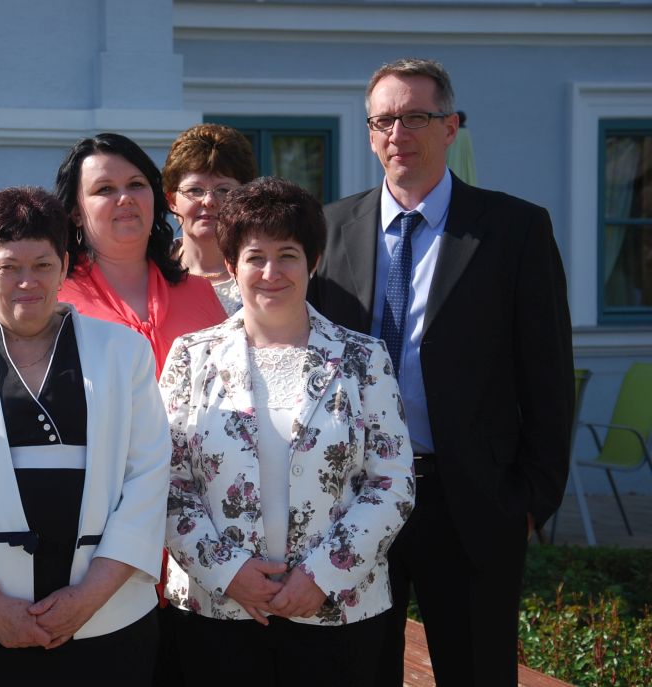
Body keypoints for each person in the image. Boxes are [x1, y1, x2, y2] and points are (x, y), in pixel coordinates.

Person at [309, 58, 573, 685]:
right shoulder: (329, 228)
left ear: (451, 127)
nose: (398, 133)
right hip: (353, 499)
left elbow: (548, 372)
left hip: (470, 500)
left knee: (477, 670)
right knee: (357, 673)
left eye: (416, 118)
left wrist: (530, 501)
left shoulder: (513, 229)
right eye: (384, 121)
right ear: (370, 133)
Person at [0, 186, 170, 686]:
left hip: (107, 619)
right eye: (8, 267)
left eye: (42, 265)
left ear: (64, 268)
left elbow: (148, 481)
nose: (27, 282)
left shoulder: (125, 353)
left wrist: (88, 598)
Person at [161, 176, 414, 686]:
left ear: (313, 261)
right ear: (231, 265)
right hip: (218, 610)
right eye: (255, 257)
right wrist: (229, 571)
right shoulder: (190, 357)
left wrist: (322, 576)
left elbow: (392, 483)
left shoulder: (365, 358)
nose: (271, 273)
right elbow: (165, 481)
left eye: (288, 255)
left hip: (338, 611)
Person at [54, 132, 227, 375]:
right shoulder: (52, 298)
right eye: (105, 189)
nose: (125, 198)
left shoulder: (199, 293)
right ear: (76, 213)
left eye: (136, 184)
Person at [162, 123, 258, 314]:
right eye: (195, 190)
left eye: (223, 190)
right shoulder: (150, 272)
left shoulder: (263, 274)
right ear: (172, 201)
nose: (209, 201)